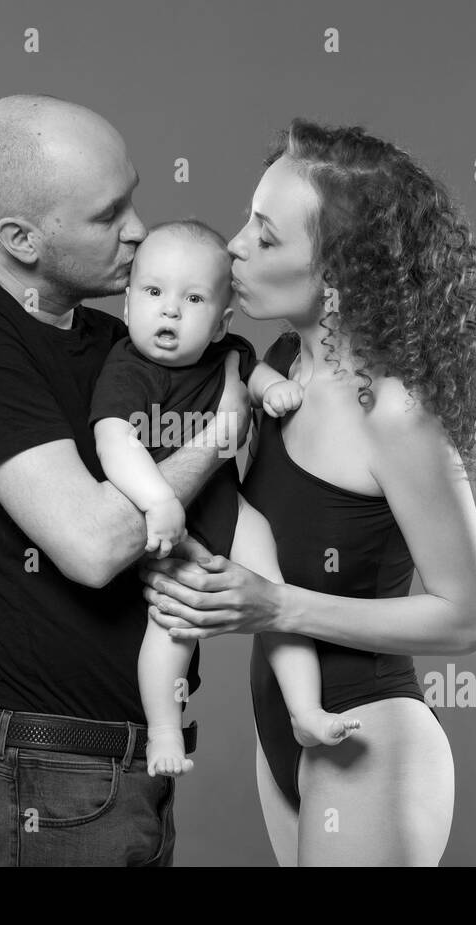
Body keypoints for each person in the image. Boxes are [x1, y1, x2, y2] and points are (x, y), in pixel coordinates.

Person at [140, 118, 476, 865]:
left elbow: (466, 620)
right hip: (284, 725)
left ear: (339, 278)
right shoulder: (280, 364)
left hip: (367, 735)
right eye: (247, 221)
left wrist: (277, 605)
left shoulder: (396, 413)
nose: (233, 247)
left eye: (267, 236)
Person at [0, 93, 251, 866]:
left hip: (134, 767)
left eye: (134, 197)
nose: (138, 229)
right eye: (107, 213)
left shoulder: (117, 339)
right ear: (21, 237)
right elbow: (93, 545)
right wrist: (221, 435)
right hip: (47, 778)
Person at [88, 220, 361, 779]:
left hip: (229, 511)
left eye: (192, 299)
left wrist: (271, 389)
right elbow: (114, 442)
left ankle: (305, 710)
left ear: (220, 324)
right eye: (154, 293)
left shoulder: (227, 353)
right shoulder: (127, 369)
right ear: (127, 303)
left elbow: (251, 372)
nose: (170, 312)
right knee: (174, 627)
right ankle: (164, 732)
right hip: (170, 530)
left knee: (278, 595)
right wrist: (158, 501)